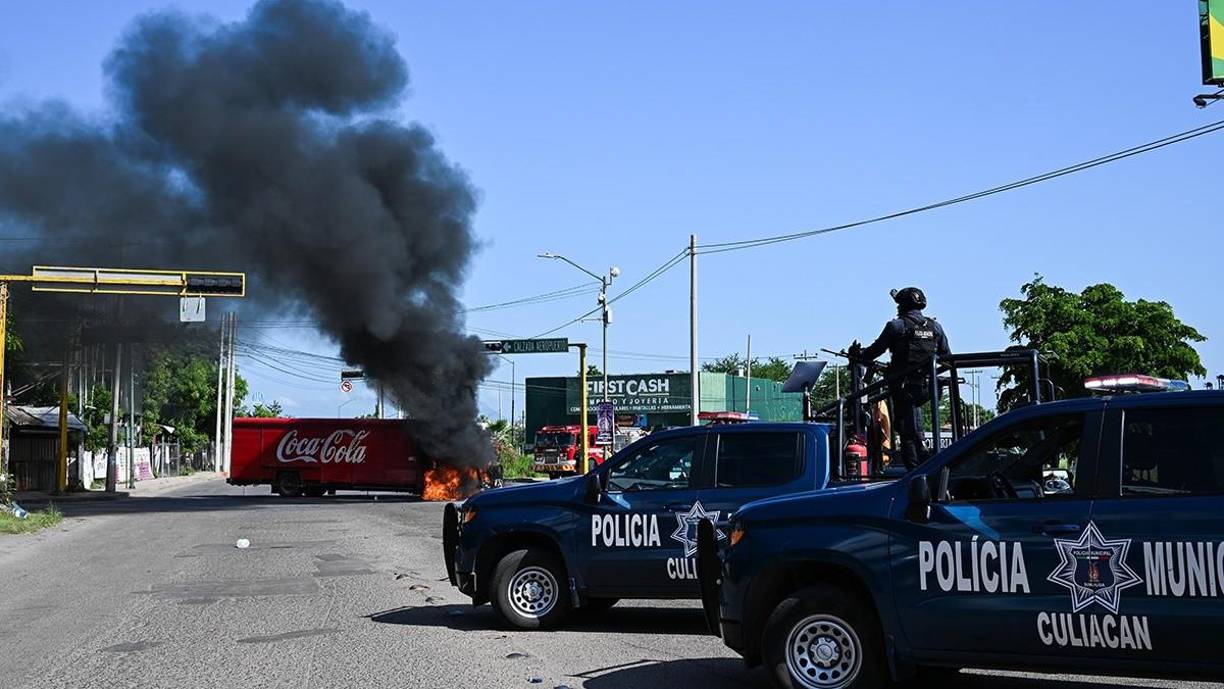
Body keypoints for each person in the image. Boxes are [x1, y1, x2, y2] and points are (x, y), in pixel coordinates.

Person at [849, 287, 950, 469]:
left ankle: (915, 474)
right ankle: (924, 465)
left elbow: (873, 352)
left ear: (902, 306)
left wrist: (858, 354)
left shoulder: (896, 326)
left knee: (907, 433)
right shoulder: (935, 327)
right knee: (915, 428)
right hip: (927, 388)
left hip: (905, 389)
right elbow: (947, 358)